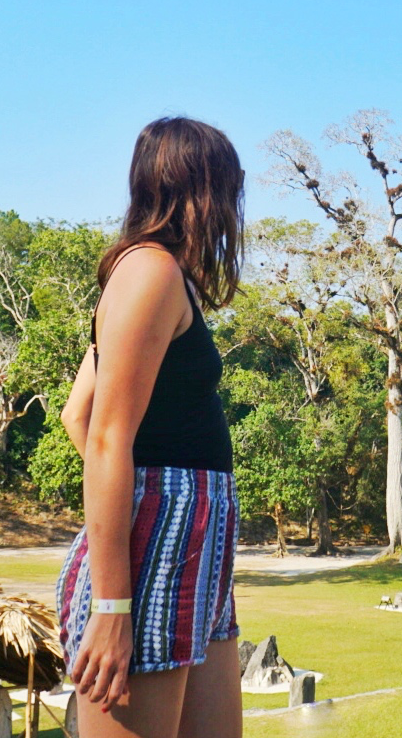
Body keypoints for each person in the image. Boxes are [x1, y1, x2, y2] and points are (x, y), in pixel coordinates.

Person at [55, 117, 244, 738]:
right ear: (198, 188)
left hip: (193, 539)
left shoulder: (161, 276)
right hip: (159, 545)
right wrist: (114, 599)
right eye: (228, 183)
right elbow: (105, 436)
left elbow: (76, 413)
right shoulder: (150, 272)